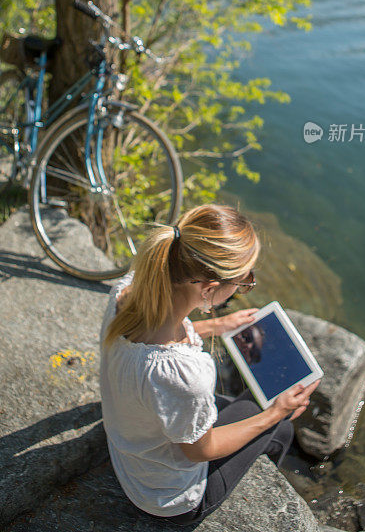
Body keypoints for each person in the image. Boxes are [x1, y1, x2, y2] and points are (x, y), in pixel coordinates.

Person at [99, 204, 320, 525]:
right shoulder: (185, 374)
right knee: (281, 426)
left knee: (252, 405)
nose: (244, 287)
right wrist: (276, 413)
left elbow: (152, 336)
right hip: (166, 498)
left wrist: (217, 325)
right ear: (209, 288)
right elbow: (198, 451)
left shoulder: (127, 292)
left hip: (129, 454)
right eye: (244, 281)